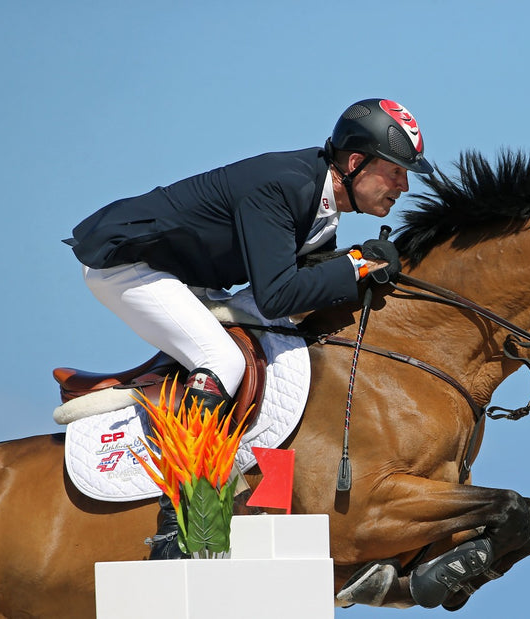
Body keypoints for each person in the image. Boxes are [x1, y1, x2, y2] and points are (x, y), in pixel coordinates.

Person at [65, 98, 434, 559]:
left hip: (182, 274)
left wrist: (360, 267)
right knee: (221, 359)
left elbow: (312, 277)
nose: (403, 184)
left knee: (278, 350)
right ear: (356, 162)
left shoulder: (321, 203)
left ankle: (263, 508)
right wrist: (357, 264)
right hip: (126, 265)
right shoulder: (284, 185)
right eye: (395, 170)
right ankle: (182, 528)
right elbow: (278, 294)